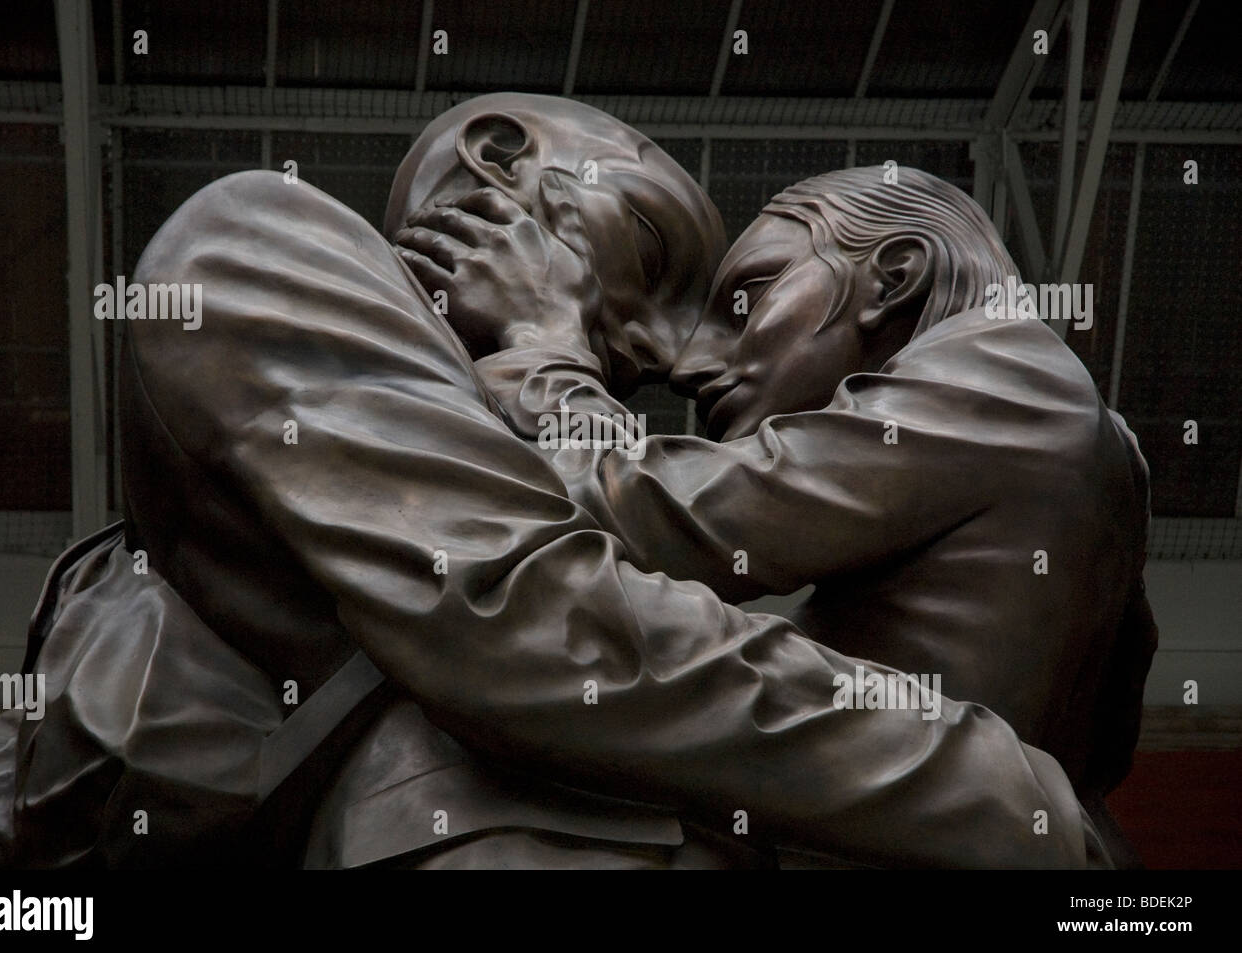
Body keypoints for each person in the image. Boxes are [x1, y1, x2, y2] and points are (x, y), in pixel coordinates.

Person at [0, 101, 1105, 870]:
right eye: (658, 261)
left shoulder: (1002, 397)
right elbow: (547, 619)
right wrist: (992, 783)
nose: (669, 355)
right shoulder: (266, 242)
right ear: (500, 159)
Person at [404, 165, 1156, 866]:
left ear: (895, 276)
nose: (695, 366)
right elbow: (1108, 743)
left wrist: (545, 342)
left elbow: (629, 515)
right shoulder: (1104, 441)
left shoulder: (1002, 375)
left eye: (747, 298)